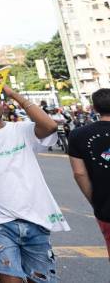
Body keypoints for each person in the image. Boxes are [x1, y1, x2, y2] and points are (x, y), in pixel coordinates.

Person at [0, 86, 69, 283]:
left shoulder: (22, 129)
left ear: (3, 105)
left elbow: (50, 126)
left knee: (41, 280)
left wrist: (15, 94)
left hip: (36, 219)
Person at [68, 88, 110, 259]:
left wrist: (95, 199)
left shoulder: (78, 135)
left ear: (94, 108)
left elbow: (79, 173)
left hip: (106, 206)